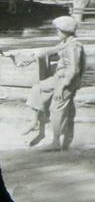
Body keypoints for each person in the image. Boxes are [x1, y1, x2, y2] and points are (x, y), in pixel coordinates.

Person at [22, 16, 85, 150]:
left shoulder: (74, 46)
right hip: (59, 78)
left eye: (58, 31)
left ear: (65, 31)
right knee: (38, 88)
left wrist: (62, 86)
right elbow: (51, 50)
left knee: (56, 106)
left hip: (68, 81)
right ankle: (35, 122)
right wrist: (34, 57)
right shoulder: (66, 43)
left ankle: (56, 141)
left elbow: (74, 69)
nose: (56, 33)